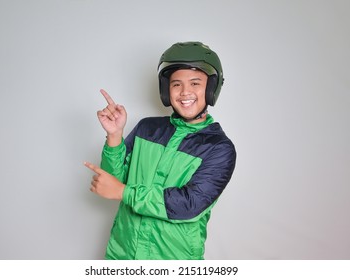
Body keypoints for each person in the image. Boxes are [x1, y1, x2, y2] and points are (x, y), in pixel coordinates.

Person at [84, 41, 236, 260]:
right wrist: (115, 136)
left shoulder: (219, 149)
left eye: (195, 83)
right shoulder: (147, 128)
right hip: (123, 254)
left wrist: (124, 192)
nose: (185, 92)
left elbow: (189, 204)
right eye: (176, 84)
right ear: (166, 90)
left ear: (211, 88)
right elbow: (114, 180)